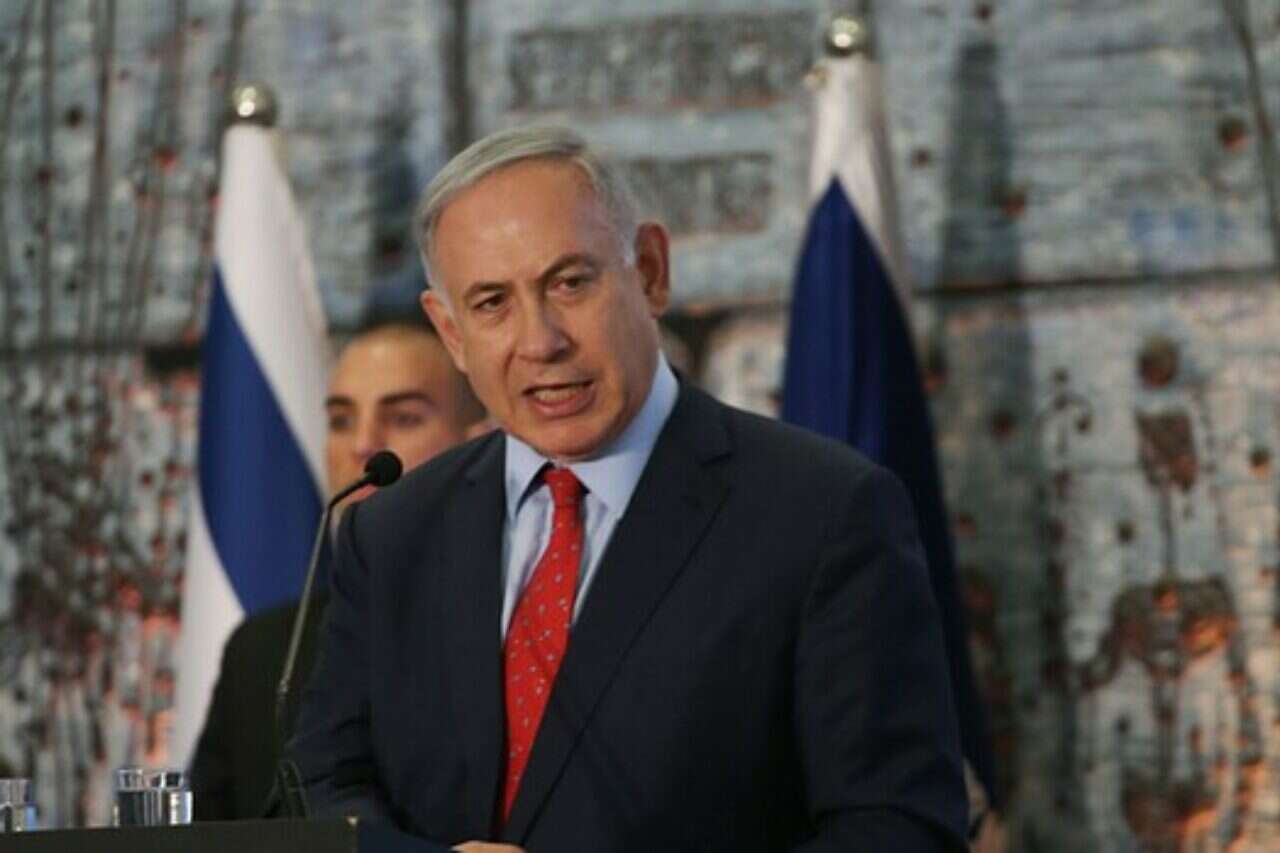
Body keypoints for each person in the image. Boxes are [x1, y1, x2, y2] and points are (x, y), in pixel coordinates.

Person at [290, 126, 968, 852]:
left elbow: (898, 829)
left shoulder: (824, 513)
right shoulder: (392, 532)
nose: (541, 340)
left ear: (649, 271)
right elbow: (325, 781)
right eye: (491, 303)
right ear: (451, 332)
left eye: (569, 283)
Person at [189, 319, 489, 820]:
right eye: (341, 420)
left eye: (404, 418)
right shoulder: (263, 652)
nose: (362, 444)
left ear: (479, 443)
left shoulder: (516, 628)